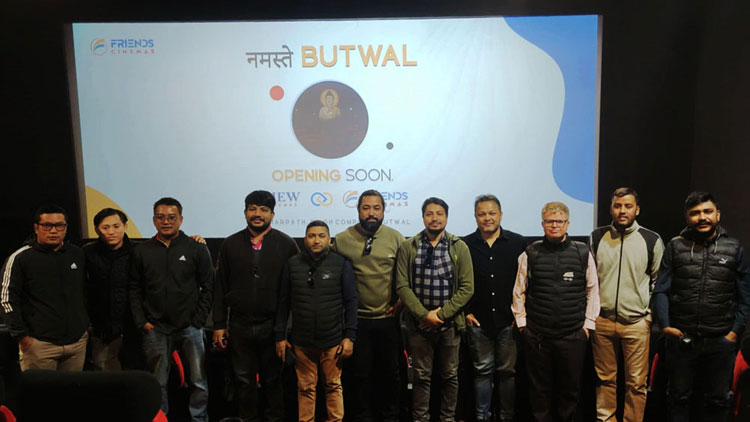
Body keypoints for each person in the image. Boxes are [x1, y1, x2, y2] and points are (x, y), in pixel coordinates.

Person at [653, 191, 750, 422]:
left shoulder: (734, 248)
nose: (702, 217)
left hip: (720, 341)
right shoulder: (675, 246)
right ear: (687, 217)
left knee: (718, 400)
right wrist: (665, 325)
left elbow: (745, 296)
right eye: (695, 213)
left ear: (718, 214)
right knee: (678, 398)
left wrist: (734, 333)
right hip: (681, 339)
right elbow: (661, 289)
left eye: (707, 211)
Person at [213, 190, 299, 422]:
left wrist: (284, 331)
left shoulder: (287, 244)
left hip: (273, 326)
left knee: (274, 382)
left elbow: (293, 292)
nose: (257, 214)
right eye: (252, 209)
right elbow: (220, 286)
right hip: (239, 325)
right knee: (243, 382)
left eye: (263, 210)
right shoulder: (230, 244)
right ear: (245, 213)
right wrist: (219, 324)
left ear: (272, 214)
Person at [512, 201, 600, 422]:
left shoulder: (582, 252)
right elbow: (518, 290)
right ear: (542, 224)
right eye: (550, 221)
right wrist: (522, 325)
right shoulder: (530, 253)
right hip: (537, 335)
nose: (554, 225)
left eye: (559, 221)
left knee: (570, 391)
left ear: (567, 224)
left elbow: (593, 290)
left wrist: (588, 326)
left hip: (573, 335)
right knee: (538, 390)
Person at [129, 197, 214, 422]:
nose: (166, 221)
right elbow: (134, 288)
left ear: (181, 219)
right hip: (155, 327)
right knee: (157, 383)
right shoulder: (142, 250)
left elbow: (209, 286)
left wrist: (198, 320)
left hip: (190, 327)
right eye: (161, 217)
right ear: (154, 220)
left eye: (171, 217)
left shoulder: (196, 248)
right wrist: (142, 322)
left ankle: (199, 419)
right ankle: (161, 419)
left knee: (198, 381)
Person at [396, 197, 474, 422]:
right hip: (418, 325)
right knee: (421, 377)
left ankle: (447, 418)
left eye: (439, 214)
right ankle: (420, 418)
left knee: (450, 375)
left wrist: (439, 315)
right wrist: (424, 315)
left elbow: (467, 288)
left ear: (446, 217)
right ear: (423, 217)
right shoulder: (409, 246)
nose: (434, 218)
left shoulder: (459, 246)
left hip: (449, 324)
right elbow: (402, 285)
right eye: (429, 214)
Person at [589, 188, 664, 422]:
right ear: (611, 208)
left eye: (628, 206)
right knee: (604, 380)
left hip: (636, 323)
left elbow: (658, 282)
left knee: (636, 384)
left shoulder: (651, 239)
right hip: (602, 321)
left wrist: (648, 316)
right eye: (618, 205)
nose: (622, 211)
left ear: (637, 210)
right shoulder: (597, 237)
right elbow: (590, 280)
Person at [332, 189, 405, 422]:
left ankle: (390, 417)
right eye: (366, 208)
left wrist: (401, 303)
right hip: (357, 322)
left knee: (390, 375)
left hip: (387, 319)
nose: (371, 213)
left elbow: (406, 278)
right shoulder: (342, 240)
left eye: (376, 208)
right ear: (358, 210)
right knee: (359, 376)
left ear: (383, 210)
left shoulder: (396, 238)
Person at [275, 220, 358, 422]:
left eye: (321, 236)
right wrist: (280, 336)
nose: (316, 240)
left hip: (332, 341)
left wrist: (350, 336)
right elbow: (283, 303)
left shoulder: (341, 264)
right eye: (311, 236)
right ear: (305, 239)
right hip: (302, 342)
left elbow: (351, 301)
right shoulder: (292, 264)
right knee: (305, 388)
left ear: (329, 239)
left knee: (333, 386)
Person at [1, 204, 89, 371]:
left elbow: (86, 292)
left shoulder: (77, 254)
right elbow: (6, 300)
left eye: (59, 225)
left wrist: (83, 330)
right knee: (39, 389)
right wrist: (22, 337)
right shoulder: (21, 258)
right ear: (36, 227)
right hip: (39, 345)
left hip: (76, 344)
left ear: (66, 227)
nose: (53, 231)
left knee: (72, 388)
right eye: (47, 225)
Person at [462, 194, 526, 422]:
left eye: (491, 213)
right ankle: (482, 417)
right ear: (475, 217)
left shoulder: (518, 243)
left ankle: (506, 417)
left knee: (507, 373)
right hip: (477, 321)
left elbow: (527, 281)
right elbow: (457, 281)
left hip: (508, 321)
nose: (487, 218)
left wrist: (519, 314)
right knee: (481, 372)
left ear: (500, 214)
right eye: (482, 214)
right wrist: (465, 312)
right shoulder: (464, 245)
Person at [84, 208, 141, 371]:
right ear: (97, 230)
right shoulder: (87, 252)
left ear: (125, 226)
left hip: (135, 327)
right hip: (101, 328)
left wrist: (195, 240)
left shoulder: (139, 250)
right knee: (106, 376)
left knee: (136, 375)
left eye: (116, 226)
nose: (111, 232)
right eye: (105, 227)